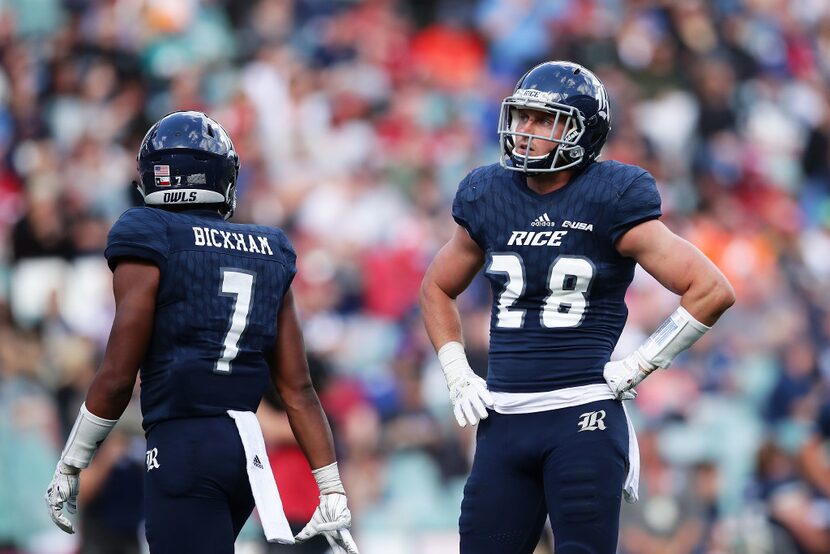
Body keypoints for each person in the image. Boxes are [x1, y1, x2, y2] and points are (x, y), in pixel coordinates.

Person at [419, 61, 735, 553]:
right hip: (503, 421)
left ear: (583, 131)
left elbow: (711, 288)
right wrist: (457, 369)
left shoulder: (611, 196)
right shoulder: (489, 194)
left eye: (544, 120)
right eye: (522, 116)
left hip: (581, 418)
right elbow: (436, 288)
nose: (525, 130)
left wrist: (642, 363)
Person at [44, 111, 359, 554]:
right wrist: (331, 487)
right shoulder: (268, 249)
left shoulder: (149, 233)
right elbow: (298, 388)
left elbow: (117, 376)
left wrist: (73, 461)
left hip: (182, 446)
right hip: (245, 454)